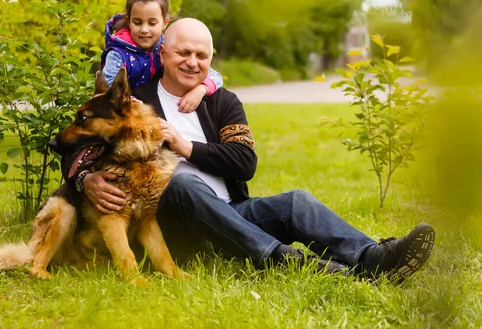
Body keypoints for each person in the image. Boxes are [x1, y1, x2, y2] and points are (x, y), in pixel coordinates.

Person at [68, 18, 435, 282]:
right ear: (163, 52)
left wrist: (185, 146)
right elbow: (78, 138)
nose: (193, 62)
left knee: (295, 201)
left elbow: (245, 162)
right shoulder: (135, 101)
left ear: (211, 60)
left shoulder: (223, 101)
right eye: (183, 52)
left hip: (232, 211)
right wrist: (85, 178)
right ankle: (287, 262)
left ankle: (373, 258)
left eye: (202, 55)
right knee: (182, 183)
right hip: (172, 223)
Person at [102, 0, 223, 113]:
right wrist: (130, 101)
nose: (144, 30)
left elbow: (215, 76)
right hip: (126, 111)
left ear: (165, 23)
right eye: (137, 23)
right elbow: (107, 86)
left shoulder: (168, 46)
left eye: (152, 23)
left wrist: (201, 90)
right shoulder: (118, 53)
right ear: (129, 21)